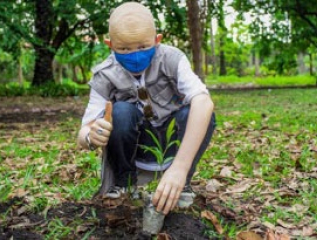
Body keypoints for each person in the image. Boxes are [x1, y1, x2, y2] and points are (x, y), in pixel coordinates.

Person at [78, 1, 215, 215]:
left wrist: (180, 168)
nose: (134, 54)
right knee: (121, 111)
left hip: (172, 143)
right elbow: (84, 130)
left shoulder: (172, 59)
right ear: (110, 44)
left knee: (196, 112)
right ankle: (124, 185)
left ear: (157, 40)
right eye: (124, 48)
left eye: (142, 47)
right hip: (135, 147)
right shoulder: (104, 75)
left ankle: (181, 183)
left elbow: (203, 101)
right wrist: (90, 136)